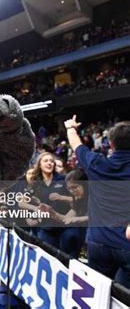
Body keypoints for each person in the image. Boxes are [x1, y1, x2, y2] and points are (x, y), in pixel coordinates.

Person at [65, 116, 130, 287]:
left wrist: (71, 127)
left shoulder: (96, 163)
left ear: (111, 144)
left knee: (97, 294)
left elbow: (76, 145)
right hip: (126, 245)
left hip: (97, 242)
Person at [38, 169, 88, 258]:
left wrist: (78, 219)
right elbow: (65, 219)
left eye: (75, 187)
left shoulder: (96, 197)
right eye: (69, 188)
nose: (72, 191)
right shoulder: (78, 200)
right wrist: (52, 212)